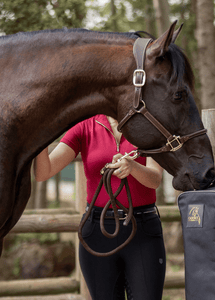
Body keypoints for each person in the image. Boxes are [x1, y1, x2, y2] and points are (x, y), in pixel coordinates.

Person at [34, 114, 166, 300]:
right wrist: (41, 138)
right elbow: (43, 172)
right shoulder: (84, 126)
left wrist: (133, 167)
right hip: (97, 231)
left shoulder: (148, 124)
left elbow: (155, 179)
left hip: (142, 231)